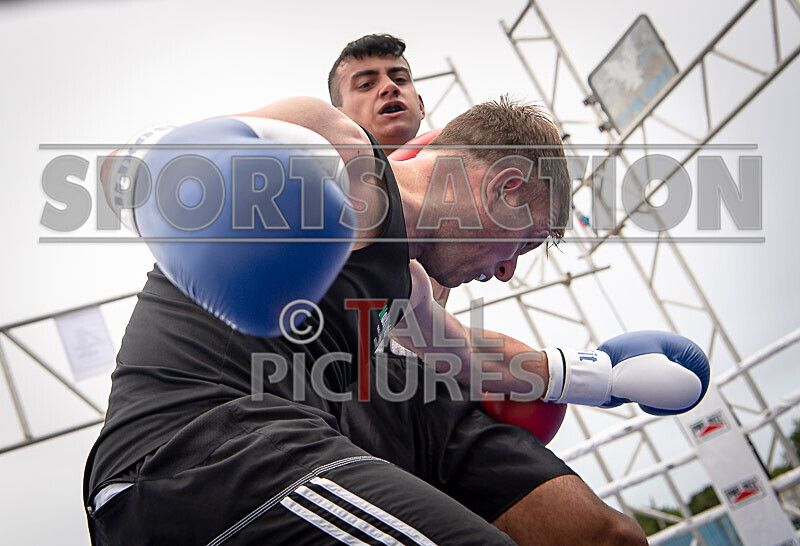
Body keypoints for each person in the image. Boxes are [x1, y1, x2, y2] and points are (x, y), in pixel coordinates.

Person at [85, 62, 707, 544]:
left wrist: (603, 377)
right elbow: (128, 168)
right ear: (507, 186)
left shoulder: (402, 279)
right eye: (523, 241)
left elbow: (468, 356)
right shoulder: (341, 154)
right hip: (185, 455)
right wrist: (175, 182)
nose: (507, 270)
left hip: (268, 462)